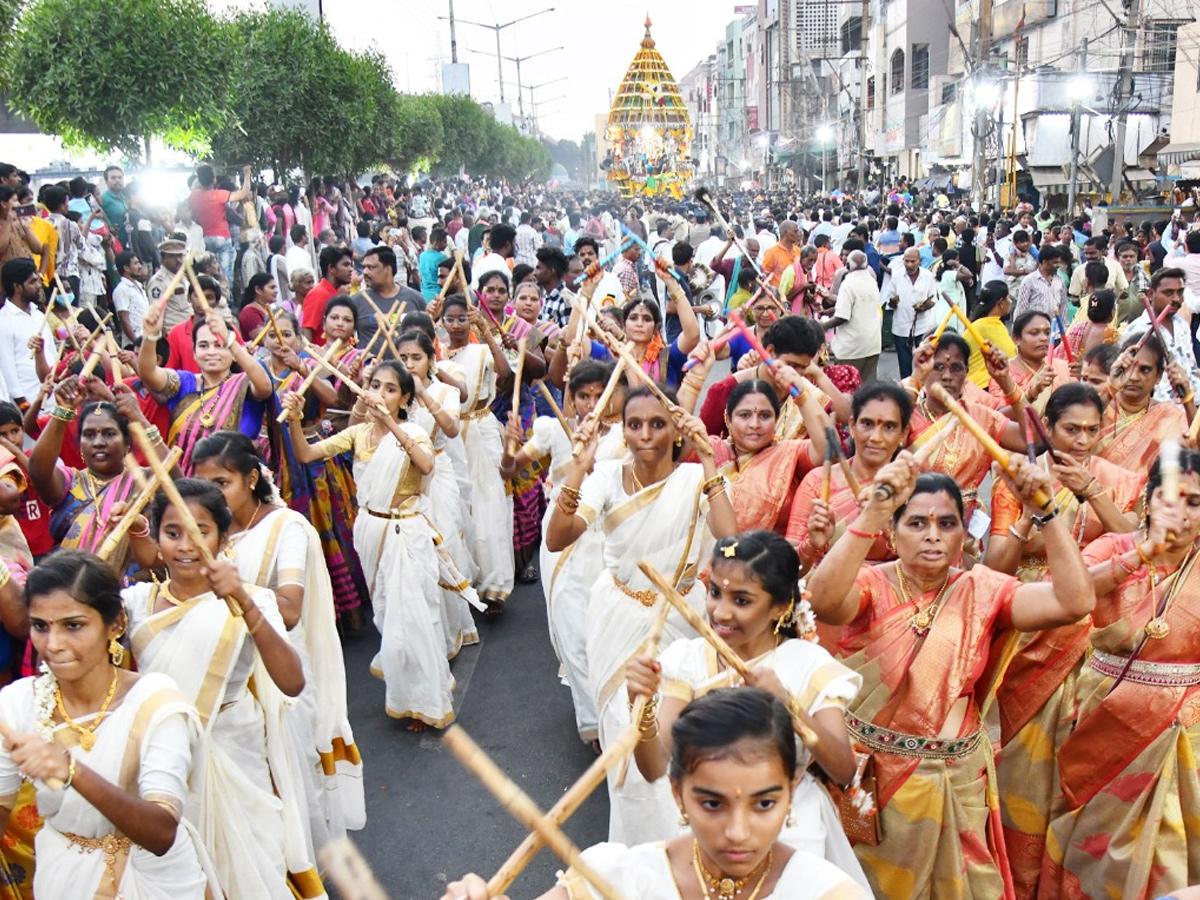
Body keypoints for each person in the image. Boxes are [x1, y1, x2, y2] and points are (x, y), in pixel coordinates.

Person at [806, 463, 1095, 900]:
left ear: (965, 535)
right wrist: (872, 511)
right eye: (917, 523)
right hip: (878, 787)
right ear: (892, 533)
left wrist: (1047, 512)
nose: (933, 535)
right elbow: (823, 602)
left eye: (947, 523)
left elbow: (1075, 602)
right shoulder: (870, 584)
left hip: (958, 781)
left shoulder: (983, 591)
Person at [441, 688, 871, 900]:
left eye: (763, 803)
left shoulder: (825, 893)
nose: (738, 832)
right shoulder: (617, 876)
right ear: (677, 793)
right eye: (712, 803)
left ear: (791, 793)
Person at [545, 384, 738, 844]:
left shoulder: (696, 480)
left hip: (682, 619)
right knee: (626, 733)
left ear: (677, 429)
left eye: (658, 424)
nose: (646, 434)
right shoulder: (607, 477)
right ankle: (638, 848)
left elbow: (732, 545)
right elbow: (558, 538)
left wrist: (709, 459)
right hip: (619, 615)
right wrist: (577, 469)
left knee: (683, 732)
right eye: (635, 425)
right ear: (624, 430)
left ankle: (689, 840)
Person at [625, 531, 870, 887]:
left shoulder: (809, 665)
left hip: (790, 829)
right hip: (706, 830)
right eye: (714, 593)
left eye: (741, 600)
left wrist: (789, 705)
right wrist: (640, 704)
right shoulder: (687, 661)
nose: (721, 612)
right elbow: (653, 768)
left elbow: (845, 770)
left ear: (780, 607)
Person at [980, 384, 1142, 898]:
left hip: (1097, 639)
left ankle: (1067, 875)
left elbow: (1141, 545)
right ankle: (1023, 876)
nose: (1082, 440)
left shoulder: (1117, 481)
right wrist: (1034, 508)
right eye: (1071, 429)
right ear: (1047, 429)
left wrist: (1093, 490)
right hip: (1034, 631)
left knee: (1082, 756)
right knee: (1028, 764)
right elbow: (995, 567)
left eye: (1094, 430)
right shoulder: (1017, 478)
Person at [123, 479, 310, 900]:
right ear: (157, 538)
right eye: (173, 533)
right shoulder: (136, 604)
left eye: (200, 531)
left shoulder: (254, 601)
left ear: (224, 538)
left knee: (254, 860)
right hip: (164, 756)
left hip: (234, 743)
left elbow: (292, 681)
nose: (186, 545)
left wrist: (242, 600)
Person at [0, 550, 220, 898]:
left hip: (157, 881)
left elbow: (161, 833)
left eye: (73, 626)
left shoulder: (155, 702)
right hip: (65, 879)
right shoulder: (16, 705)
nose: (53, 645)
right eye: (40, 626)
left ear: (115, 624)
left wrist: (70, 770)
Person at [191, 432, 365, 846]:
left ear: (252, 479)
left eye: (222, 483)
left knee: (295, 769)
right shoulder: (202, 533)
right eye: (204, 485)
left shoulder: (287, 527)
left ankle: (307, 860)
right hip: (227, 678)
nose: (212, 495)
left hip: (281, 672)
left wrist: (236, 591)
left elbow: (288, 610)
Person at [1041, 450, 1200, 900]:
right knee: (1094, 848)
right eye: (1172, 499)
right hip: (1102, 719)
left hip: (1182, 736)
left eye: (1196, 502)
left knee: (1169, 855)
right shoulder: (1113, 548)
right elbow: (1072, 593)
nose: (1183, 513)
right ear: (1148, 502)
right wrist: (1141, 555)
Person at [284, 362, 476, 729]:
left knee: (415, 618)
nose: (381, 394)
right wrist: (294, 419)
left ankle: (428, 699)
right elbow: (308, 455)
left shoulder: (413, 432)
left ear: (405, 398)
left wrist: (389, 424)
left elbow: (425, 465)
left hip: (407, 534)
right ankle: (409, 691)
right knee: (389, 616)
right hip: (371, 533)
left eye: (391, 389)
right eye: (376, 385)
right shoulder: (357, 435)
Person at [255, 308, 368, 629]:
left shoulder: (307, 366)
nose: (280, 343)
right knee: (295, 532)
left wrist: (301, 368)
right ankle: (310, 613)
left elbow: (332, 397)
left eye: (287, 335)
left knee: (330, 526)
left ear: (298, 338)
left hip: (316, 461)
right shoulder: (258, 375)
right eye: (272, 337)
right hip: (280, 463)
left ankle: (350, 612)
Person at [395, 328, 482, 656]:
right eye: (403, 358)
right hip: (406, 478)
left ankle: (455, 627)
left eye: (416, 357)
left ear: (431, 360)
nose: (409, 363)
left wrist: (423, 394)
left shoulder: (445, 391)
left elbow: (450, 428)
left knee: (444, 544)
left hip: (439, 475)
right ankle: (427, 631)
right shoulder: (394, 394)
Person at [28, 386, 169, 574]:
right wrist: (62, 412)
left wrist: (139, 419)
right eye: (89, 435)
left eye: (109, 434)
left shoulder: (146, 481)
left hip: (128, 594)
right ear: (79, 444)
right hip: (68, 586)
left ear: (127, 443)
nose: (98, 442)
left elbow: (178, 486)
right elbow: (38, 472)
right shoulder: (70, 482)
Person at [440, 294, 514, 612]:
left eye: (461, 318)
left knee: (489, 505)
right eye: (450, 319)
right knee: (457, 506)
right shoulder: (437, 353)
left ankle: (494, 584)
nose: (456, 325)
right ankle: (465, 581)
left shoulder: (481, 351)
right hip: (450, 434)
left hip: (481, 431)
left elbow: (505, 371)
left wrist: (484, 328)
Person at [789, 382, 913, 570]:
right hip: (825, 590)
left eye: (889, 427)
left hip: (892, 594)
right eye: (867, 424)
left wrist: (883, 526)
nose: (875, 437)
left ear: (903, 434)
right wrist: (812, 545)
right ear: (852, 426)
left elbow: (925, 564)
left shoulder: (911, 489)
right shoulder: (818, 482)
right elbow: (787, 567)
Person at [136, 302, 273, 472]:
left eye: (219, 345)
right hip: (186, 486)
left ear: (232, 351)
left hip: (235, 483)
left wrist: (231, 341)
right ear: (193, 353)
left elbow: (265, 387)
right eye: (203, 346)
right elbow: (148, 373)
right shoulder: (183, 382)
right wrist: (150, 335)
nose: (211, 352)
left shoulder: (245, 384)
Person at [1096, 333, 1188, 471]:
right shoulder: (1098, 407)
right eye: (1128, 368)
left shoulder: (1169, 416)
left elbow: (1193, 450)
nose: (1133, 377)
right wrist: (1111, 388)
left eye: (1144, 370)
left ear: (1158, 376)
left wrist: (1188, 399)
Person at [988, 311, 1071, 413]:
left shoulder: (1062, 367)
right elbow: (998, 417)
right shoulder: (1003, 373)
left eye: (1047, 333)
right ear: (1016, 339)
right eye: (1034, 333)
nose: (1044, 338)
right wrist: (1031, 393)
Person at [820, 249, 881, 383]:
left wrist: (823, 326)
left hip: (852, 348)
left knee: (847, 388)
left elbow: (842, 316)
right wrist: (830, 310)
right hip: (872, 344)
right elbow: (857, 307)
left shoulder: (848, 283)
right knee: (867, 389)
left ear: (847, 266)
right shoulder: (872, 281)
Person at [0, 258, 54, 406]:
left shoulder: (39, 316)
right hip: (28, 403)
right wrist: (22, 404)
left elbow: (53, 357)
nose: (38, 286)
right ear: (17, 287)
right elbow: (7, 369)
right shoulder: (3, 321)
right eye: (32, 282)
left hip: (53, 399)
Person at [189, 164, 252, 289]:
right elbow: (244, 193)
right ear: (214, 180)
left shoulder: (194, 196)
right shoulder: (220, 195)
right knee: (225, 275)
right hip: (223, 237)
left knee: (208, 274)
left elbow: (193, 188)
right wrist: (247, 174)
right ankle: (227, 302)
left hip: (205, 238)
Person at [354, 246, 426, 348]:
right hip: (371, 364)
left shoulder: (415, 298)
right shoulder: (357, 301)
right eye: (364, 267)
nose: (365, 272)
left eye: (371, 267)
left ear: (388, 269)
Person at [886, 247, 939, 378]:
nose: (909, 265)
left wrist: (924, 306)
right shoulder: (897, 275)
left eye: (912, 261)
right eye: (906, 261)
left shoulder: (927, 276)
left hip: (922, 326)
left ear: (920, 261)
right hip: (901, 326)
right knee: (905, 365)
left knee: (924, 361)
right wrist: (893, 301)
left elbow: (933, 299)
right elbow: (889, 301)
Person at [964, 280, 1017, 388]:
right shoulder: (985, 326)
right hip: (983, 385)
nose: (1010, 301)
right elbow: (1010, 354)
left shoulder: (987, 324)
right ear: (1001, 303)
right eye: (1008, 298)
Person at [300, 246, 353, 344]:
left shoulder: (333, 293)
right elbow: (307, 331)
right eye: (346, 265)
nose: (350, 269)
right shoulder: (319, 294)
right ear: (331, 268)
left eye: (351, 265)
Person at [148, 239, 192, 331]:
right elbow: (156, 315)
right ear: (163, 258)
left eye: (180, 256)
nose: (179, 260)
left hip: (188, 330)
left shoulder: (183, 276)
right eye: (173, 256)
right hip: (172, 333)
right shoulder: (159, 281)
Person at [1065, 289, 1118, 359]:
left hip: (1071, 367)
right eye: (1114, 308)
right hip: (1092, 369)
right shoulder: (1112, 334)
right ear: (1110, 311)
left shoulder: (1078, 327)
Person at [237, 273, 277, 342]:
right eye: (272, 288)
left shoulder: (270, 309)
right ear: (258, 289)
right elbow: (261, 340)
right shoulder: (249, 313)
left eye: (276, 288)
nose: (276, 291)